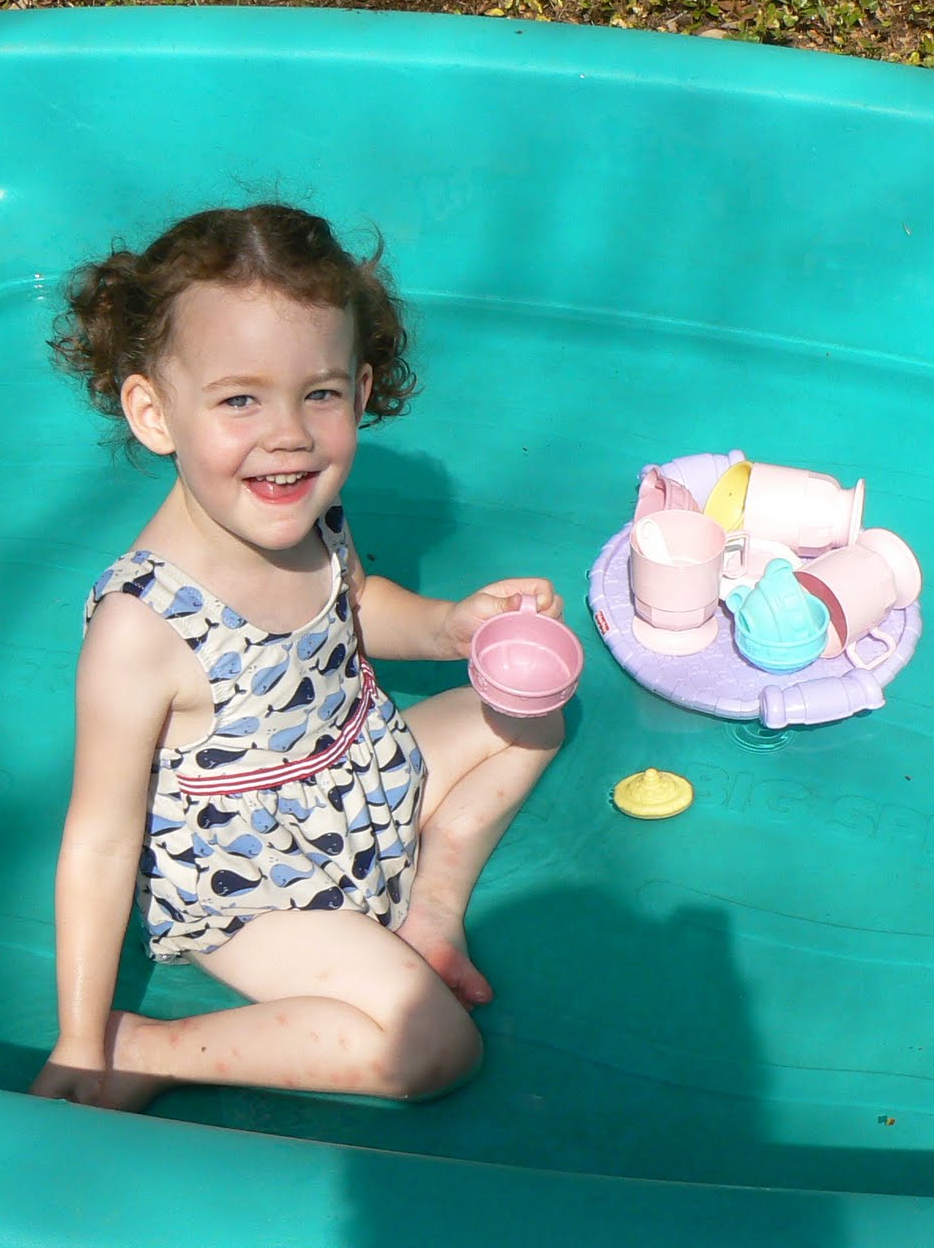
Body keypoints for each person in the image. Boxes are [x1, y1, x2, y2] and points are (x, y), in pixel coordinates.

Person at [31, 204, 564, 1111]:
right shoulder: (145, 627)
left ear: (359, 393)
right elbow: (99, 839)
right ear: (154, 412)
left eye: (317, 394)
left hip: (364, 775)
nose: (289, 434)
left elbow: (355, 603)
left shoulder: (308, 516)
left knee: (530, 711)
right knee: (432, 1049)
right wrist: (80, 1037)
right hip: (255, 880)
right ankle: (148, 1047)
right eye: (239, 399)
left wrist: (449, 629)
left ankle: (430, 909)